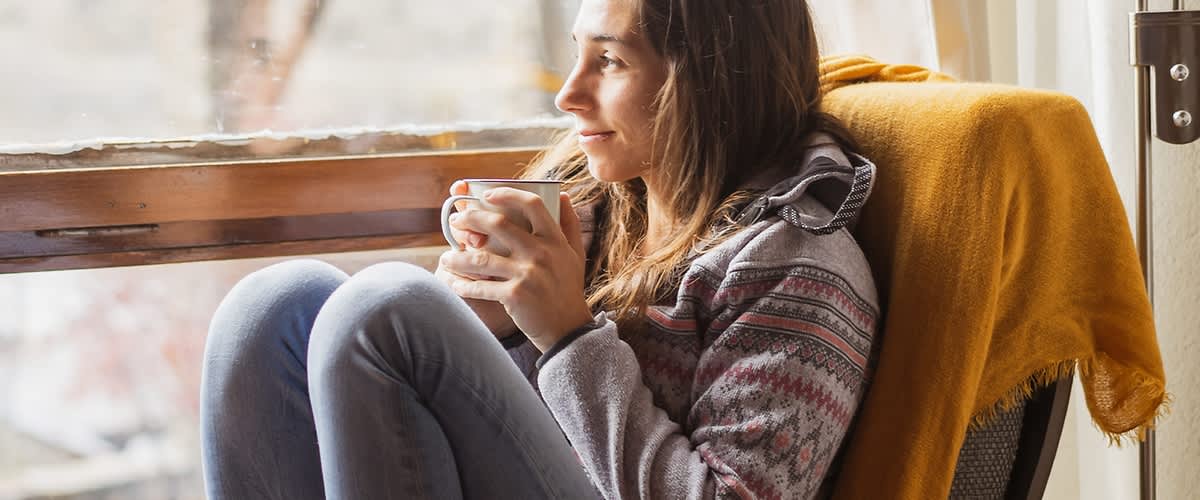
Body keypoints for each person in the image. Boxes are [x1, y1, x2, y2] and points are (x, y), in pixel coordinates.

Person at [199, 0, 880, 498]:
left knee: (387, 310)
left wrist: (567, 335)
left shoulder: (801, 268)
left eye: (609, 61)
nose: (568, 94)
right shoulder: (592, 206)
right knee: (274, 306)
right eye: (578, 52)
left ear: (708, 81)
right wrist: (491, 326)